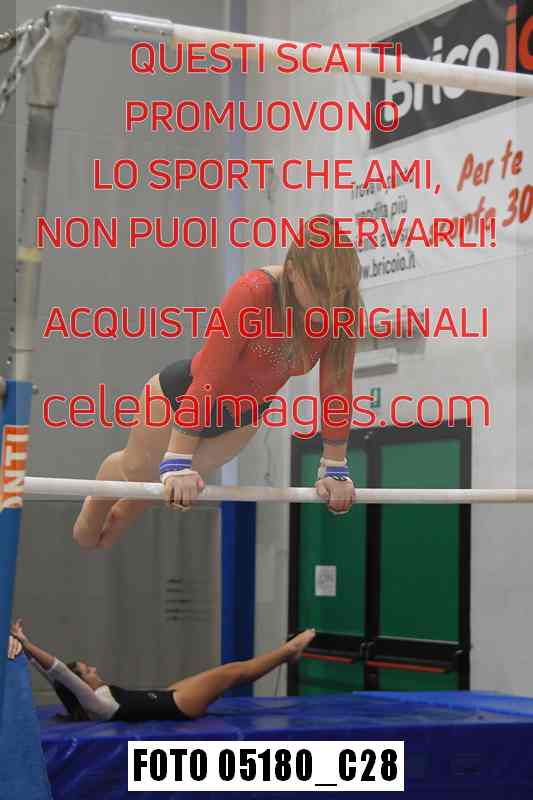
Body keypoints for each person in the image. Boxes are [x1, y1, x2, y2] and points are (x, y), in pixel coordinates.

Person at [73, 214, 362, 550]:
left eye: (339, 292)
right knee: (138, 472)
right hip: (182, 395)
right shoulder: (254, 291)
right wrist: (178, 456)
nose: (329, 303)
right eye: (321, 290)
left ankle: (122, 512)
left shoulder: (343, 310)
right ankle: (95, 502)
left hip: (241, 417)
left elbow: (337, 389)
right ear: (293, 271)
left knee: (164, 487)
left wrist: (335, 467)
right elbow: (211, 374)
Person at [10, 619, 316, 722]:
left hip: (169, 695)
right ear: (81, 684)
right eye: (88, 671)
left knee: (230, 671)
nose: (94, 669)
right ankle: (289, 651)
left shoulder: (91, 698)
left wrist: (26, 649)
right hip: (178, 705)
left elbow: (54, 675)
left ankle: (287, 653)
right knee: (235, 671)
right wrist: (28, 644)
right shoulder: (95, 704)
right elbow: (60, 672)